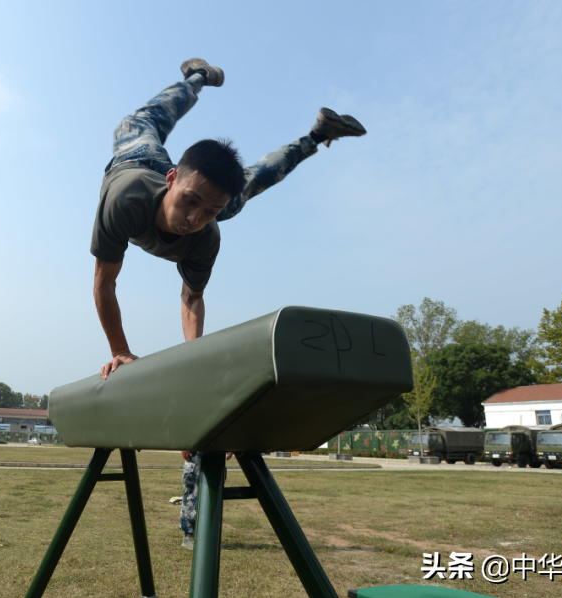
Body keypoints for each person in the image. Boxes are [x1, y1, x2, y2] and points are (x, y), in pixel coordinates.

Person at [91, 59, 367, 550]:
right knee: (143, 120)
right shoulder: (127, 200)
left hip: (192, 179)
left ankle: (315, 135)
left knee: (250, 184)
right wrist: (121, 350)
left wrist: (194, 363)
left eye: (208, 211)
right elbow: (106, 283)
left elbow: (192, 297)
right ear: (174, 180)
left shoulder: (206, 234)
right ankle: (195, 76)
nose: (193, 219)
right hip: (137, 159)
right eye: (190, 202)